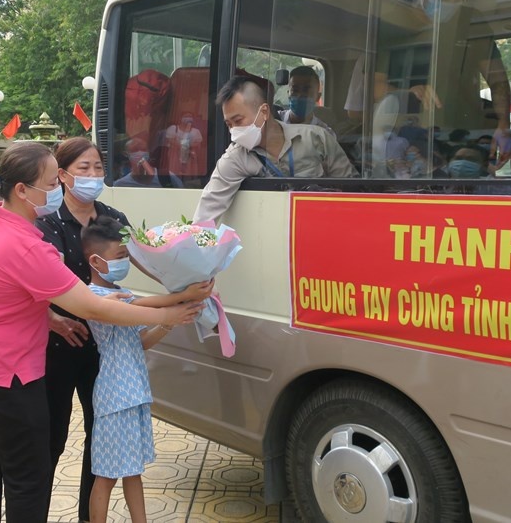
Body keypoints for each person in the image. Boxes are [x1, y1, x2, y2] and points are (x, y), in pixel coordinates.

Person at [0, 142, 202, 523]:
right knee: (28, 480)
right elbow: (92, 306)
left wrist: (177, 290)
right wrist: (171, 311)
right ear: (22, 190)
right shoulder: (27, 247)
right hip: (11, 376)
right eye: (54, 181)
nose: (61, 187)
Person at [80, 216, 211, 523]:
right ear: (96, 261)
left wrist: (168, 323)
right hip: (115, 398)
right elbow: (140, 306)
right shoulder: (96, 298)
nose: (125, 262)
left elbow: (139, 342)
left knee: (132, 471)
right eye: (120, 257)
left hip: (134, 394)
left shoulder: (119, 291)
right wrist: (182, 296)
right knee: (106, 476)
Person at [33, 137, 131, 523]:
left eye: (98, 168)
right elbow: (30, 284)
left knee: (101, 440)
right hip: (57, 346)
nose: (92, 175)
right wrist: (52, 320)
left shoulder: (112, 219)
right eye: (83, 169)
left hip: (103, 348)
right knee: (50, 440)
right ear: (62, 175)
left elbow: (133, 261)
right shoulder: (48, 222)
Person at [193, 77, 357, 223]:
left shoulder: (316, 138)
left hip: (326, 225)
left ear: (263, 112)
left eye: (238, 120)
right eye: (229, 124)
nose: (233, 131)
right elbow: (206, 213)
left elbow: (353, 189)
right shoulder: (235, 158)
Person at [279, 65, 334, 134]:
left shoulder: (325, 134)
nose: (300, 95)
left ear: (318, 97)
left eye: (306, 90)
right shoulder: (274, 120)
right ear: (288, 94)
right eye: (295, 90)